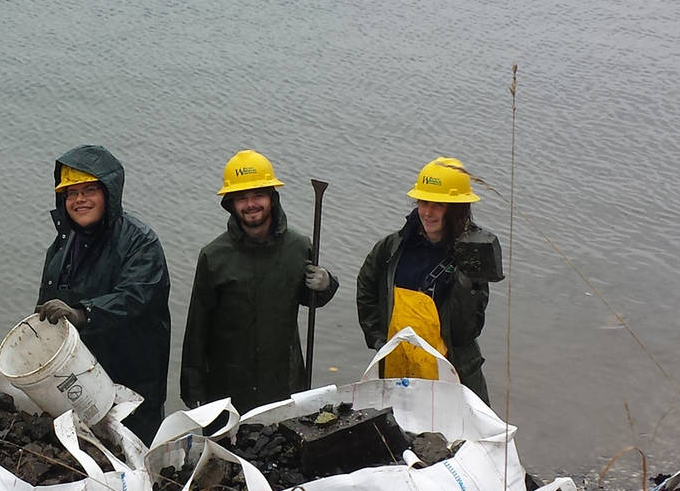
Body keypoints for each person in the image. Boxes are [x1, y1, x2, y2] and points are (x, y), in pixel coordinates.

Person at [180, 150, 338, 410]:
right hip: (227, 386)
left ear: (272, 198)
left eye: (258, 195)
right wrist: (193, 387)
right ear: (230, 203)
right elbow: (197, 328)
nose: (251, 204)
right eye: (242, 198)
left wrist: (326, 284)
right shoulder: (214, 256)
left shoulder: (298, 247)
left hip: (284, 381)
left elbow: (310, 300)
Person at [36, 146, 171, 439]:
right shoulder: (62, 245)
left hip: (132, 385)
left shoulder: (141, 242)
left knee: (135, 462)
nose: (79, 200)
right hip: (75, 382)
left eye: (89, 191)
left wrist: (83, 313)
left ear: (109, 193)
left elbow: (133, 297)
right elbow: (44, 309)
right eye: (71, 193)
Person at [355, 156, 505, 402]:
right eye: (423, 202)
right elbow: (366, 287)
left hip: (452, 372)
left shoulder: (471, 258)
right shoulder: (392, 247)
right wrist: (377, 339)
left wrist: (468, 282)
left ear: (457, 209)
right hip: (396, 366)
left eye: (438, 204)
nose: (427, 212)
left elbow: (466, 331)